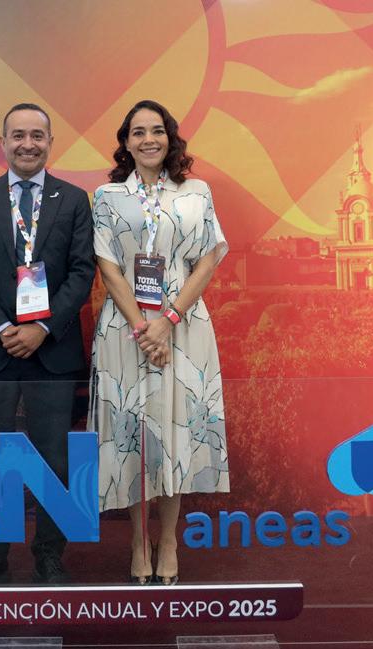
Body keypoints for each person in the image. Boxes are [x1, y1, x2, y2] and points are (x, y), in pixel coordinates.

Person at [0, 103, 95, 584]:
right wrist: (1, 327)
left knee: (54, 460)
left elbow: (82, 272)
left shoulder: (73, 200)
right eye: (18, 135)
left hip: (52, 351)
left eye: (37, 135)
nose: (27, 144)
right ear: (3, 141)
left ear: (50, 142)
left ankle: (50, 555)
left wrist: (42, 329)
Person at [88, 99, 229, 585]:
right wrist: (142, 329)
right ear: (126, 143)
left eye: (157, 131)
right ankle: (137, 539)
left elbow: (207, 261)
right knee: (132, 434)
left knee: (174, 431)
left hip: (183, 325)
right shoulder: (108, 197)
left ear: (170, 138)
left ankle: (168, 539)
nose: (148, 139)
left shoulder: (196, 192)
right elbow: (108, 266)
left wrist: (167, 320)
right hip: (125, 329)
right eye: (138, 132)